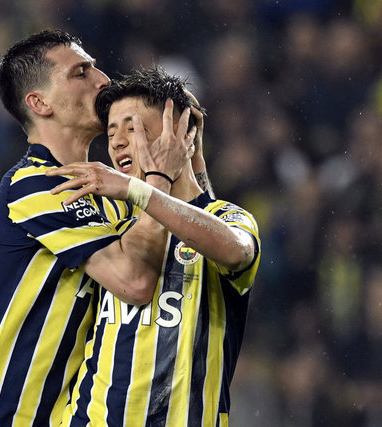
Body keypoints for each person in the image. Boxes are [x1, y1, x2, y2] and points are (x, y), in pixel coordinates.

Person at [0, 30, 195, 426]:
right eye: (80, 73)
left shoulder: (112, 195)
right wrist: (158, 178)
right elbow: (134, 281)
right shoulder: (35, 184)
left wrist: (187, 160)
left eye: (95, 68)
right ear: (39, 103)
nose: (102, 80)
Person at [48, 68, 261, 426]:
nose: (116, 142)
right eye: (111, 132)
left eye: (132, 128)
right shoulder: (114, 224)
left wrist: (156, 181)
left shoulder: (227, 217)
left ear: (178, 134)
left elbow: (237, 252)